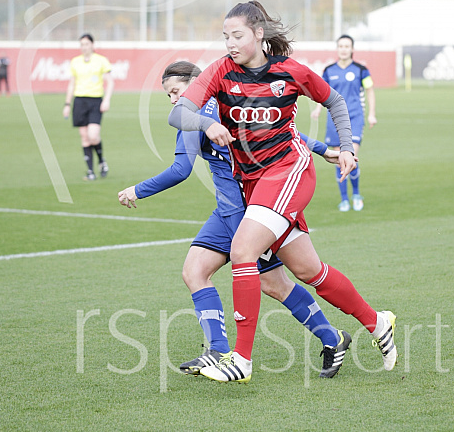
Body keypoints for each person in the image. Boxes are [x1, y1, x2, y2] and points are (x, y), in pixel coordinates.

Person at [167, 1, 397, 383]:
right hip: (255, 183)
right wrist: (206, 125)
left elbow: (334, 101)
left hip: (289, 170)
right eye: (225, 37)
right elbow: (178, 113)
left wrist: (347, 147)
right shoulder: (220, 70)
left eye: (237, 35)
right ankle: (377, 322)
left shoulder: (289, 72)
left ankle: (241, 358)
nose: (230, 43)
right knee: (308, 270)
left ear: (259, 34)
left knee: (243, 251)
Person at [119, 61, 352, 378]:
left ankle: (331, 337)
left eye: (176, 92)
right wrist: (323, 149)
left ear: (197, 82)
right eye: (169, 96)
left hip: (250, 212)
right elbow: (277, 133)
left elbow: (181, 170)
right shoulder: (232, 101)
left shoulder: (196, 116)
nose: (174, 100)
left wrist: (137, 190)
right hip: (230, 210)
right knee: (195, 270)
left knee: (275, 282)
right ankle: (217, 350)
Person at [311, 34, 377, 212]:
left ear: (352, 49)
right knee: (339, 158)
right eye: (341, 46)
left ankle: (356, 194)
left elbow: (370, 91)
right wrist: (318, 109)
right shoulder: (329, 70)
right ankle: (344, 199)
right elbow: (321, 93)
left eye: (347, 46)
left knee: (352, 154)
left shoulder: (361, 69)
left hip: (355, 117)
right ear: (337, 48)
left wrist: (371, 114)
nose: (344, 49)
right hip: (333, 120)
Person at [63, 33, 114, 181]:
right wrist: (67, 104)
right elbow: (72, 84)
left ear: (92, 45)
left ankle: (102, 161)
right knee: (84, 137)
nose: (84, 47)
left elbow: (110, 82)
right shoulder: (75, 62)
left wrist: (106, 100)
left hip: (95, 101)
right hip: (79, 101)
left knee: (93, 135)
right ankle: (90, 171)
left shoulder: (101, 61)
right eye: (82, 44)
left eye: (86, 44)